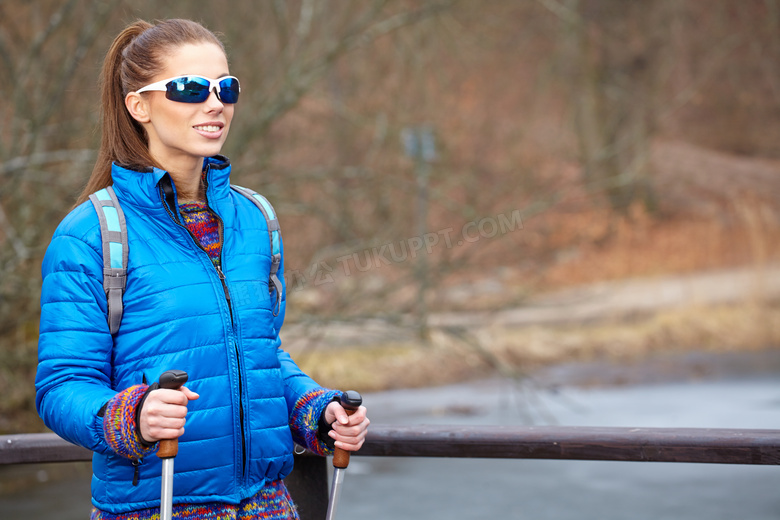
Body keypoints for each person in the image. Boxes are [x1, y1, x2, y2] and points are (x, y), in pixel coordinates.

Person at [34, 18, 369, 520]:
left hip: (269, 504)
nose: (215, 103)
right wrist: (132, 415)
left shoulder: (256, 219)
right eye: (189, 88)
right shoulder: (91, 234)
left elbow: (257, 354)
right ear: (138, 105)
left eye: (225, 88)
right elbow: (61, 385)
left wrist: (315, 411)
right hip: (155, 506)